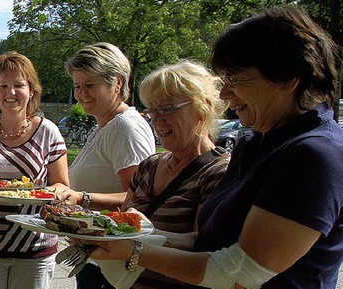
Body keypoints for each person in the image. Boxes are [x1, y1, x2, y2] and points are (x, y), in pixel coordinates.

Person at [77, 6, 343, 289]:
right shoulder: (258, 142)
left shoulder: (314, 155)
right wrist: (114, 235)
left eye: (236, 79)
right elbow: (207, 242)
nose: (225, 93)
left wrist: (133, 250)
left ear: (288, 77)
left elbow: (239, 273)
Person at [0, 51, 70, 289]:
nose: (10, 93)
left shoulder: (48, 131)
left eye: (18, 85)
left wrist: (43, 193)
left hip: (35, 246)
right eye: (3, 86)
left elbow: (62, 184)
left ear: (31, 89)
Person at [59, 42, 156, 289]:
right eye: (77, 86)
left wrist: (82, 198)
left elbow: (139, 198)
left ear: (117, 83)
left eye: (90, 85)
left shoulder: (125, 128)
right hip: (96, 253)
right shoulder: (105, 124)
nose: (81, 93)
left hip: (114, 260)